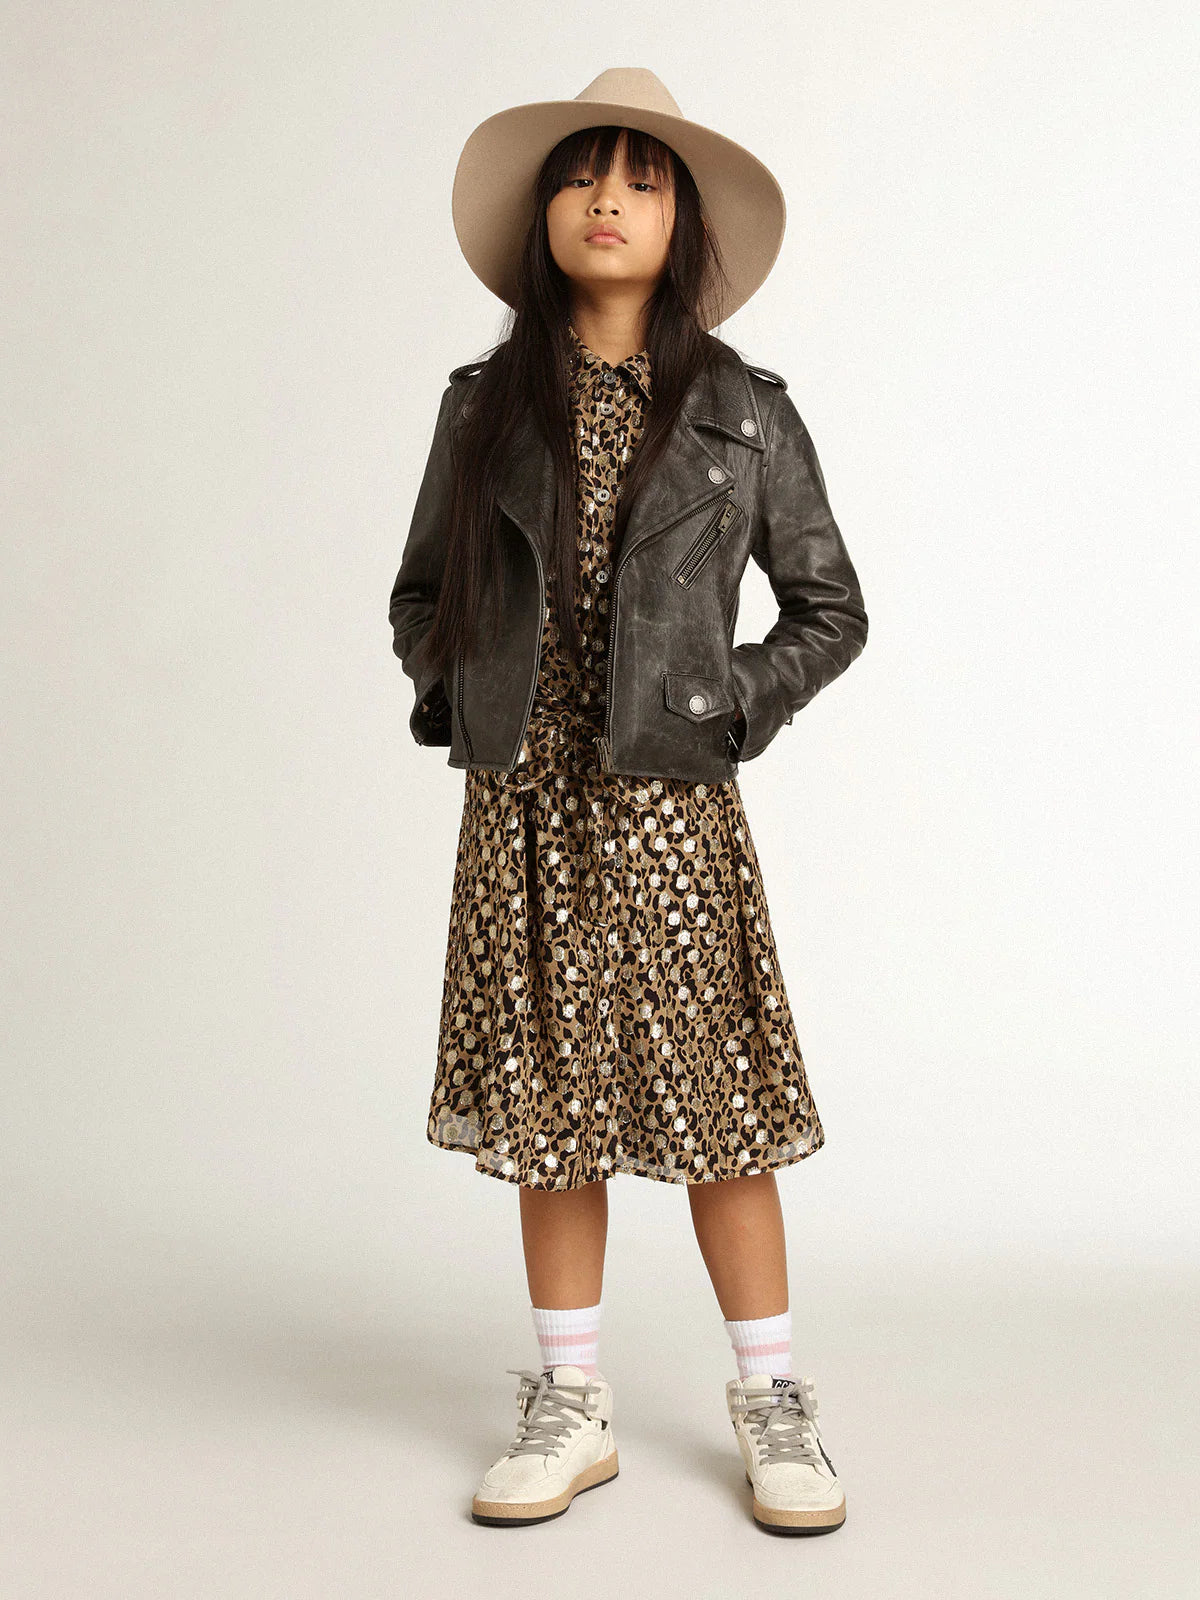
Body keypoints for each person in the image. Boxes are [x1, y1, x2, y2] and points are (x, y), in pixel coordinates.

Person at [387, 68, 867, 1535]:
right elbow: (420, 594)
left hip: (672, 811)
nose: (609, 201)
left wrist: (727, 701)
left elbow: (831, 609)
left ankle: (774, 1403)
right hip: (528, 812)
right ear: (544, 216)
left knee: (722, 1108)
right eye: (584, 177)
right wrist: (467, 688)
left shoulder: (742, 412)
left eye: (642, 181)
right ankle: (571, 1400)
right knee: (551, 1114)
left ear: (681, 225)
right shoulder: (485, 408)